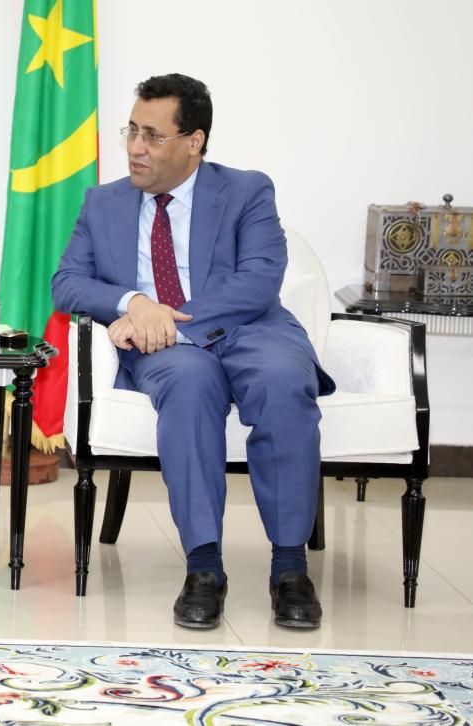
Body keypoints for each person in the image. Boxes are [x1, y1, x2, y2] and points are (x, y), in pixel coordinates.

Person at [52, 73, 334, 629]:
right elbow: (67, 283)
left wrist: (166, 321)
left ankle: (289, 568)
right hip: (167, 352)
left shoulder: (247, 191)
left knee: (282, 382)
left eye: (153, 135)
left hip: (252, 330)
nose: (136, 147)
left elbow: (259, 280)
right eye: (132, 131)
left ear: (194, 141)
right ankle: (204, 567)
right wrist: (134, 303)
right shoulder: (102, 203)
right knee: (189, 385)